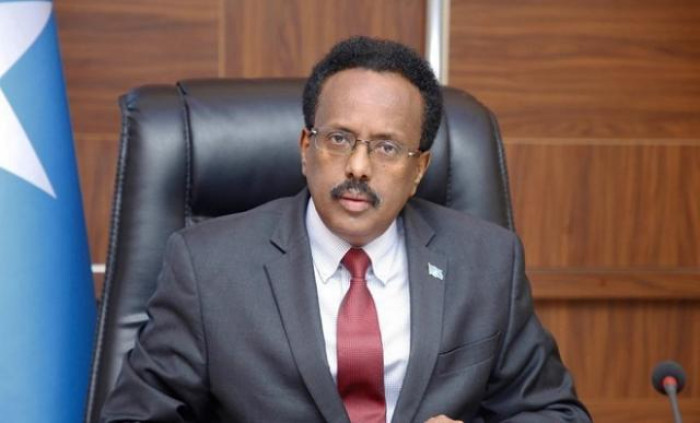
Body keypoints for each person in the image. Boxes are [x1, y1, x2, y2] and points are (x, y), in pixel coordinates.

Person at [100, 36, 591, 423]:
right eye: (339, 139)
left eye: (387, 148)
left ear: (419, 169)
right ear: (305, 148)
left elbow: (555, 413)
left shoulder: (487, 262)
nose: (357, 166)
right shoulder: (207, 265)